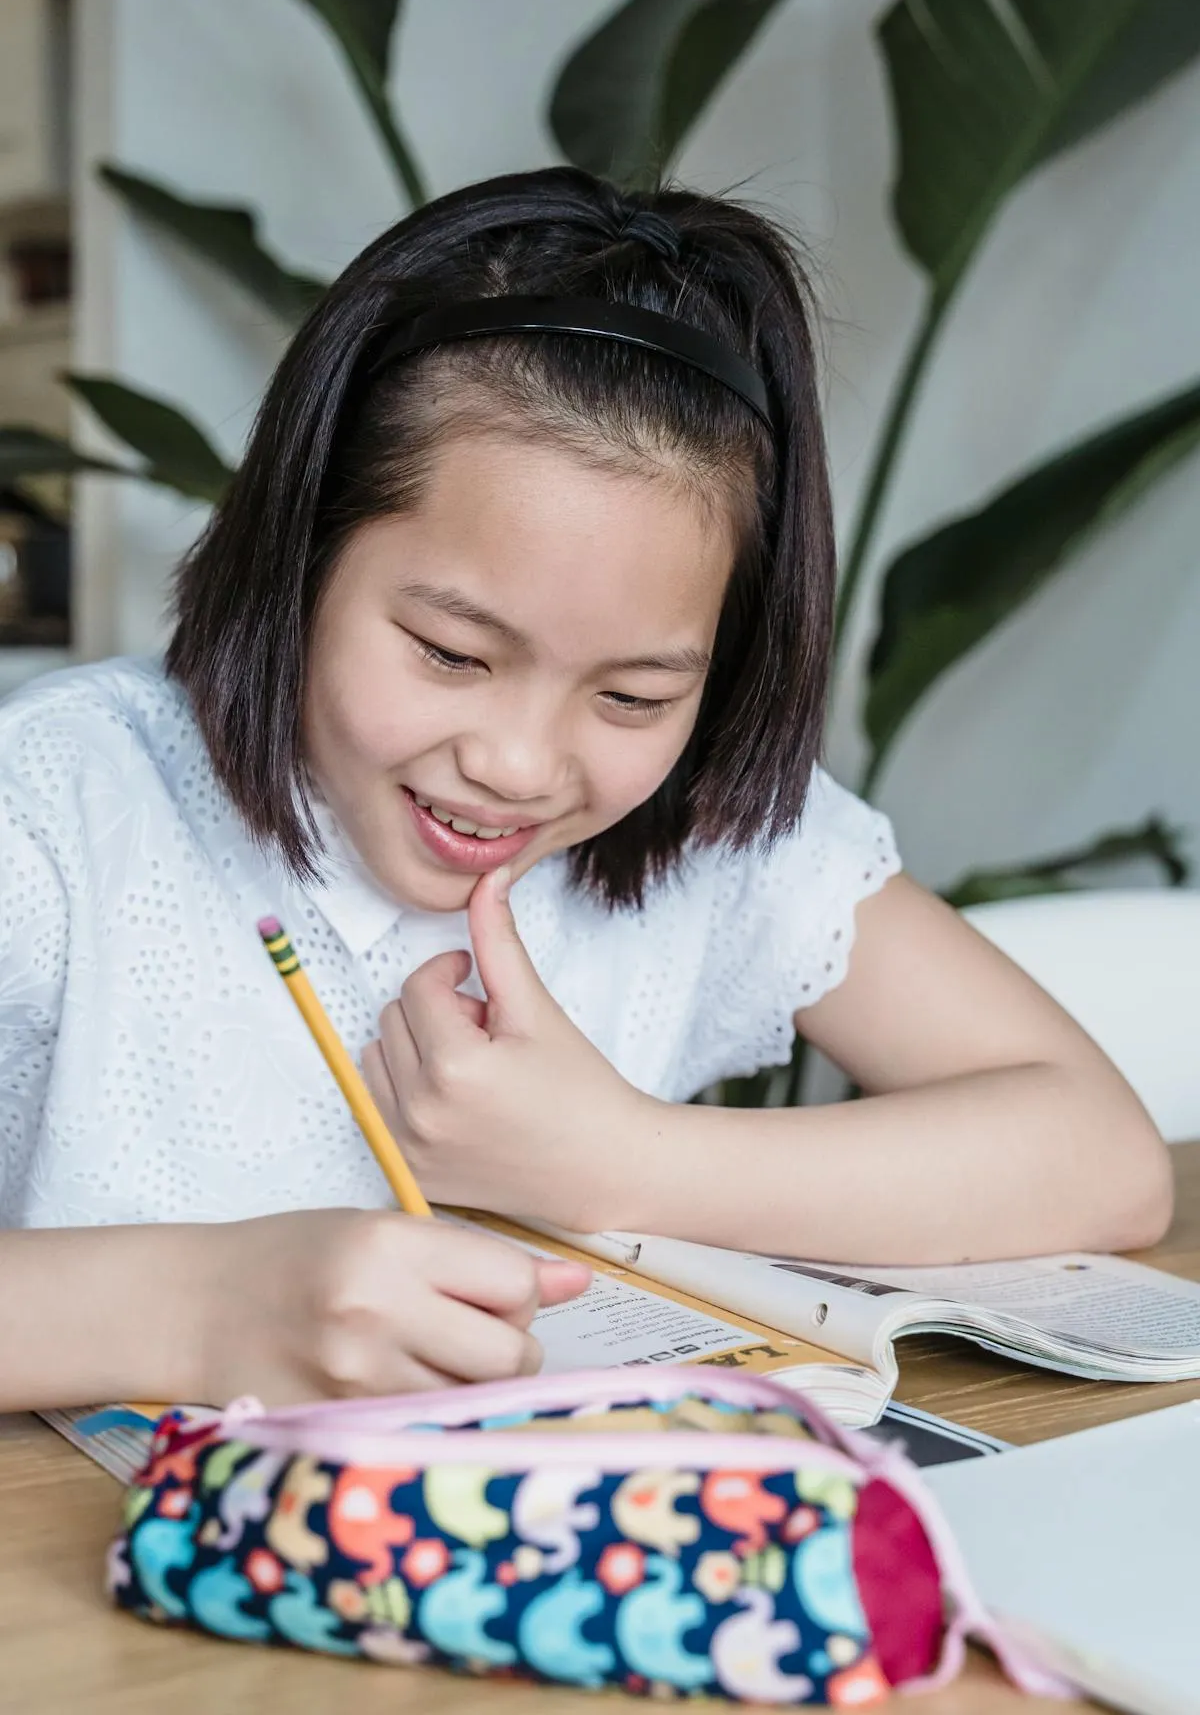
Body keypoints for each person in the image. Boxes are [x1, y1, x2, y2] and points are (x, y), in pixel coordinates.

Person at [0, 168, 1171, 1414]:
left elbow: (1102, 1159)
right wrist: (202, 1309)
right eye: (452, 654)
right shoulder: (59, 809)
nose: (517, 763)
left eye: (632, 698)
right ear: (301, 554)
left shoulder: (712, 838)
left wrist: (615, 1157)